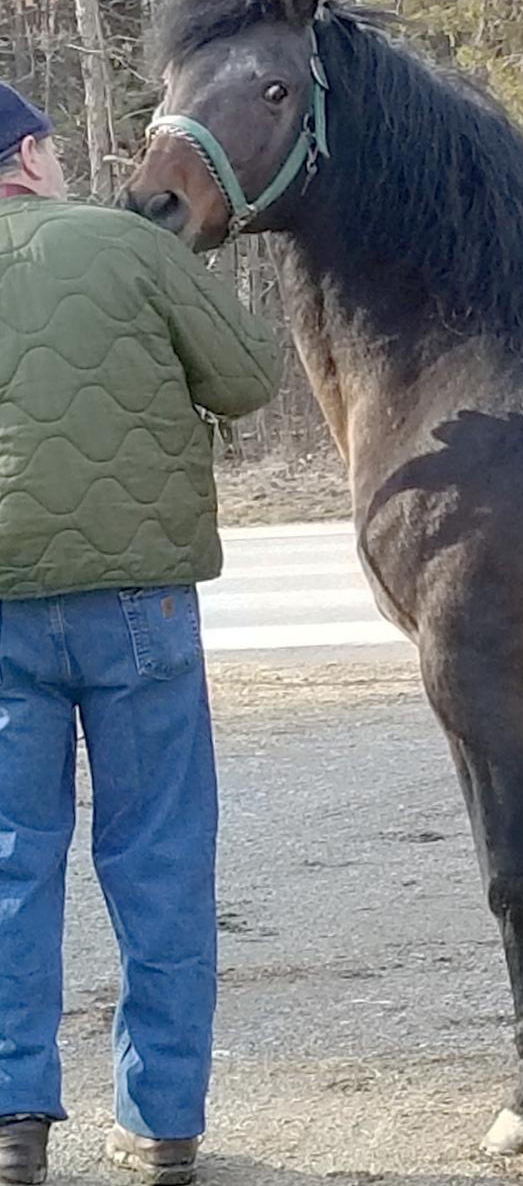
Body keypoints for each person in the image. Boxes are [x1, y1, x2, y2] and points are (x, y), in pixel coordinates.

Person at [0, 83, 282, 1185]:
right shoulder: (125, 246)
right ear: (26, 156)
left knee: (11, 862)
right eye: (55, 149)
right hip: (140, 602)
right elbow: (253, 379)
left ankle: (14, 1122)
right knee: (158, 855)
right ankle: (161, 1123)